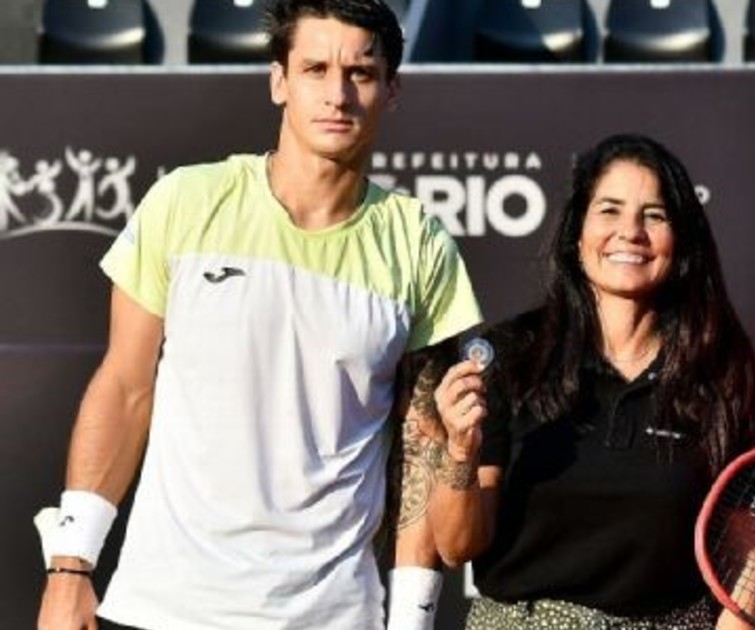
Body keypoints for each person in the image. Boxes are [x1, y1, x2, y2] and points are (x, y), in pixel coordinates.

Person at [34, 1, 481, 628]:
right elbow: (125, 388)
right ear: (279, 81)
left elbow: (421, 448)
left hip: (332, 616)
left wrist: (412, 618)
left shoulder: (419, 244)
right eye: (315, 69)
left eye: (360, 73)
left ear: (392, 89)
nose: (337, 95)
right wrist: (70, 567)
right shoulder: (186, 201)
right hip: (166, 609)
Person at [418, 133, 755, 629]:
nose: (631, 232)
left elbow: (743, 549)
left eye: (654, 215)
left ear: (681, 240)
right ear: (577, 233)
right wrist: (459, 450)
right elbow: (458, 547)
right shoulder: (514, 354)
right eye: (609, 210)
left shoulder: (720, 370)